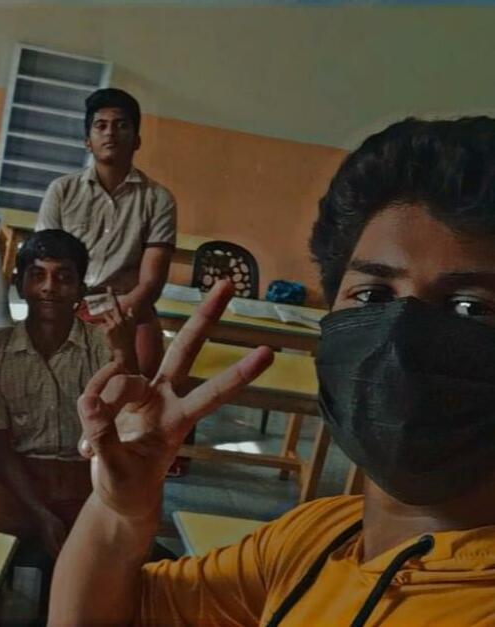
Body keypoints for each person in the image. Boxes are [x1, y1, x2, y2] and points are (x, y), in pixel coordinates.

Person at [49, 117, 495, 625]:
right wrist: (118, 514)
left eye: (470, 307)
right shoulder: (317, 538)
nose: (400, 340)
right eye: (372, 296)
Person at [0, 230, 137, 557]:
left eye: (64, 278)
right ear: (19, 285)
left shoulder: (104, 345)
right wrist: (40, 513)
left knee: (110, 547)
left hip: (88, 475)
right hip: (19, 478)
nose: (49, 287)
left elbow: (131, 418)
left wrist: (124, 353)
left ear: (81, 290)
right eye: (37, 275)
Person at [37, 88, 176, 378]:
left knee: (142, 383)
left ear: (137, 140)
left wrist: (114, 315)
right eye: (100, 126)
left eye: (121, 125)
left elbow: (151, 283)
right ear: (87, 141)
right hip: (70, 304)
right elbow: (47, 265)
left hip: (130, 309)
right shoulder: (61, 191)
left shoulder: (159, 199)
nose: (110, 133)